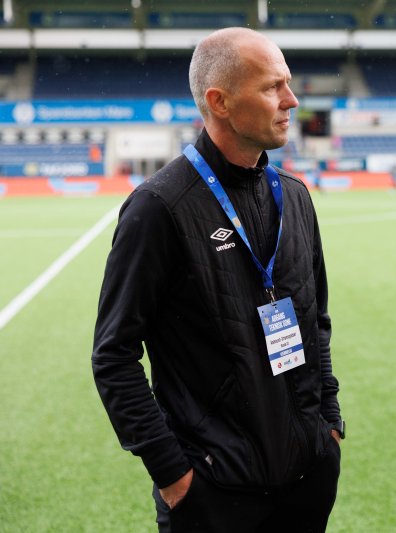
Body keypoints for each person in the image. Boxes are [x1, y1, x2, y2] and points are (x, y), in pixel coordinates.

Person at [92, 27, 344, 532]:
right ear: (220, 101)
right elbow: (113, 355)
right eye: (273, 87)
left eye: (288, 84)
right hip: (213, 495)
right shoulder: (158, 207)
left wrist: (329, 426)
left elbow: (314, 320)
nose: (292, 101)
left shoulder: (294, 195)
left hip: (307, 478)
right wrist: (174, 475)